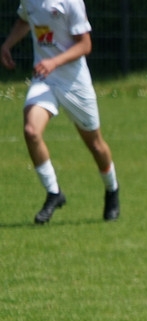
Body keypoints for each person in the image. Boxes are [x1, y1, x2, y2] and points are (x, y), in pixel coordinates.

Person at [0, 0, 119, 223]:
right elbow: (24, 20)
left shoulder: (71, 2)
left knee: (95, 144)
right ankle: (54, 193)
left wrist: (54, 62)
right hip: (45, 79)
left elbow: (85, 45)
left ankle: (112, 189)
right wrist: (7, 45)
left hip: (74, 83)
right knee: (31, 131)